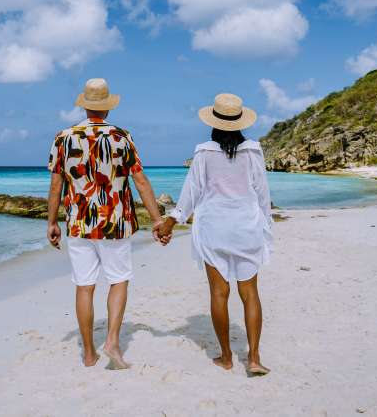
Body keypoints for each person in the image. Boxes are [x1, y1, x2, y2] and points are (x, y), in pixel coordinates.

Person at [46, 78, 163, 369]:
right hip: (116, 223)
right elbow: (140, 180)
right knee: (118, 281)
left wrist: (52, 222)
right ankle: (111, 341)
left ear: (85, 106)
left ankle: (88, 353)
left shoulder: (64, 137)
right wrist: (158, 219)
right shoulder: (122, 137)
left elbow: (56, 185)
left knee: (84, 286)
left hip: (78, 224)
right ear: (107, 107)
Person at [155, 93, 273, 376]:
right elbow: (262, 192)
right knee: (250, 294)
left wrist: (172, 221)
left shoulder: (204, 152)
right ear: (240, 122)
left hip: (214, 229)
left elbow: (192, 191)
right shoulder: (253, 150)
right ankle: (254, 358)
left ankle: (227, 357)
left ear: (215, 122)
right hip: (246, 227)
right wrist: (266, 226)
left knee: (219, 294)